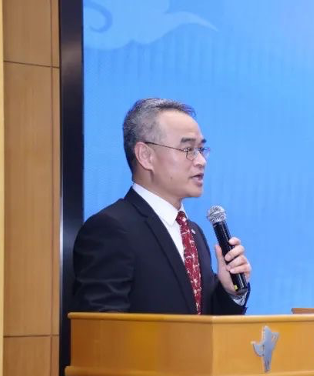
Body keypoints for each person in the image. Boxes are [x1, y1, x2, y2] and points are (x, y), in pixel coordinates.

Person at [72, 98, 250, 315]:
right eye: (188, 149)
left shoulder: (193, 232)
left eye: (201, 149)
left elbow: (201, 319)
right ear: (145, 156)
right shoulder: (110, 229)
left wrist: (230, 292)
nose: (201, 161)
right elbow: (101, 328)